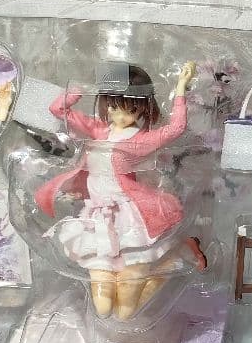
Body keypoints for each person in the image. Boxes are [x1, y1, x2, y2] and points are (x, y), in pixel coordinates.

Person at [35, 62, 207, 320]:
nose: (119, 115)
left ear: (141, 108)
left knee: (125, 313)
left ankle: (172, 259)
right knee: (104, 309)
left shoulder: (140, 140)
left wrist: (181, 87)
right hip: (97, 219)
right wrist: (80, 87)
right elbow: (57, 109)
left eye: (129, 110)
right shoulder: (98, 130)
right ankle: (157, 265)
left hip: (129, 218)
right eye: (113, 107)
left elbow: (175, 129)